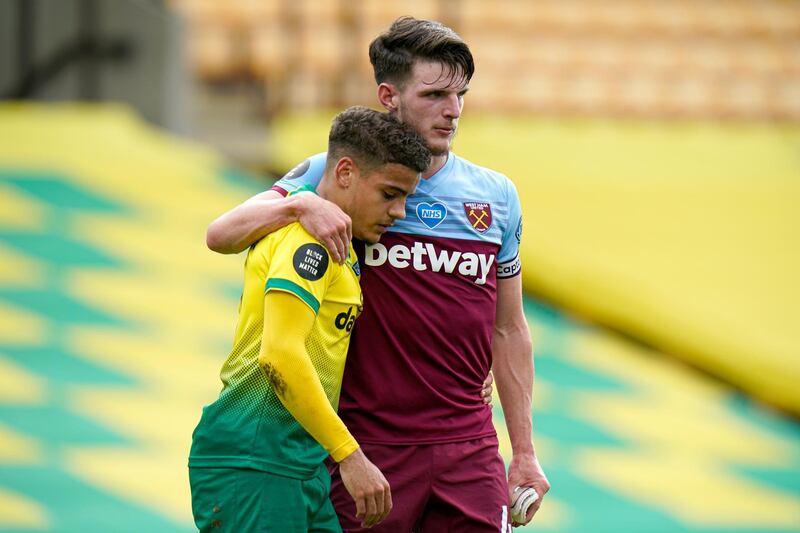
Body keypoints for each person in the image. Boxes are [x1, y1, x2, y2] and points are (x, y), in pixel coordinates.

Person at [206, 16, 550, 532]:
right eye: (435, 95)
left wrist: (523, 450)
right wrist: (298, 207)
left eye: (461, 95)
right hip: (367, 444)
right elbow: (221, 234)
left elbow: (509, 326)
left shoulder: (497, 197)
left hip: (469, 446)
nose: (452, 112)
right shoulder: (335, 172)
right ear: (389, 95)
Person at [189, 106, 431, 532]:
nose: (400, 211)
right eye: (390, 194)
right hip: (257, 456)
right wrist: (350, 456)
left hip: (298, 460)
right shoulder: (309, 243)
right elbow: (280, 355)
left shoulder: (338, 244)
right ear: (344, 172)